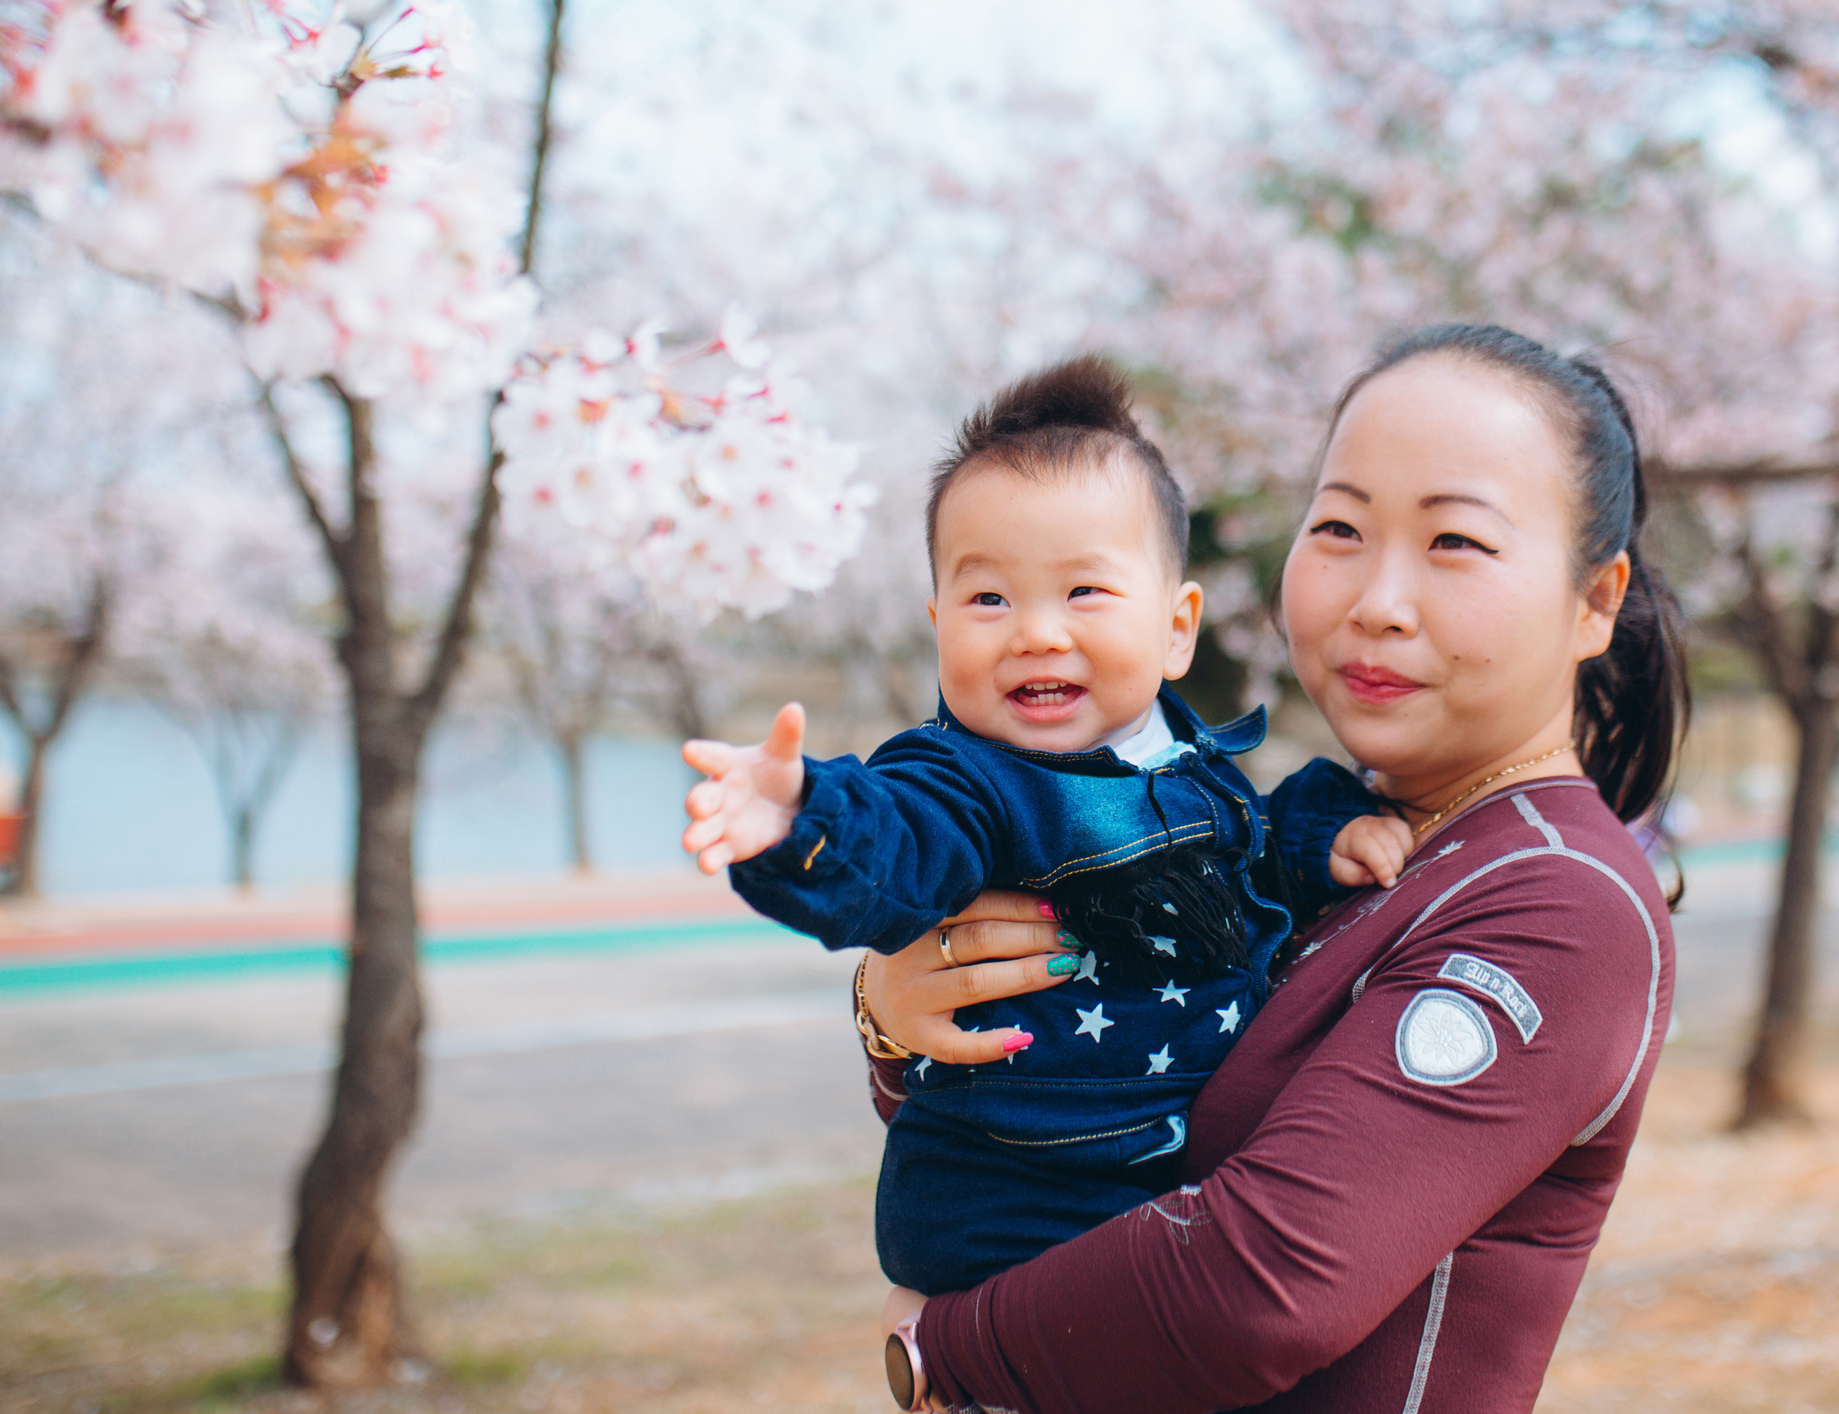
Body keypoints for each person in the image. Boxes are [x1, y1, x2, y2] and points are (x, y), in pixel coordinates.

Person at [859, 323, 1686, 1413]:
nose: (1375, 600)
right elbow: (1064, 1096)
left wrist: (940, 1357)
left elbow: (1265, 1282)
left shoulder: (1560, 900)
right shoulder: (1284, 835)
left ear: (1593, 600)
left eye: (1455, 544)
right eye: (1338, 526)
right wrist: (895, 1013)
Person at [681, 357, 1408, 1298]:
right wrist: (802, 818)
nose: (1035, 632)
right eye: (989, 599)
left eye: (1084, 592)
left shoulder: (1191, 767)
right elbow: (897, 841)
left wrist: (1318, 838)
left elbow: (1245, 860)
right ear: (939, 623)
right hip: (1017, 1197)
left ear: (1178, 627)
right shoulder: (970, 779)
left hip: (1169, 1175)